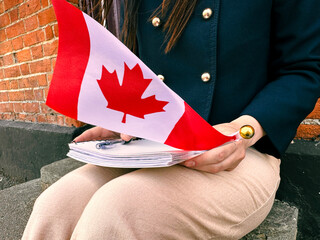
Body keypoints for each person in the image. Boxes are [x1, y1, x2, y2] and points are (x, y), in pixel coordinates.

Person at [22, 0, 320, 239]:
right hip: (153, 146)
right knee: (54, 206)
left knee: (117, 211)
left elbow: (303, 70)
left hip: (242, 152)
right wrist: (124, 120)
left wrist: (241, 129)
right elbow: (145, 73)